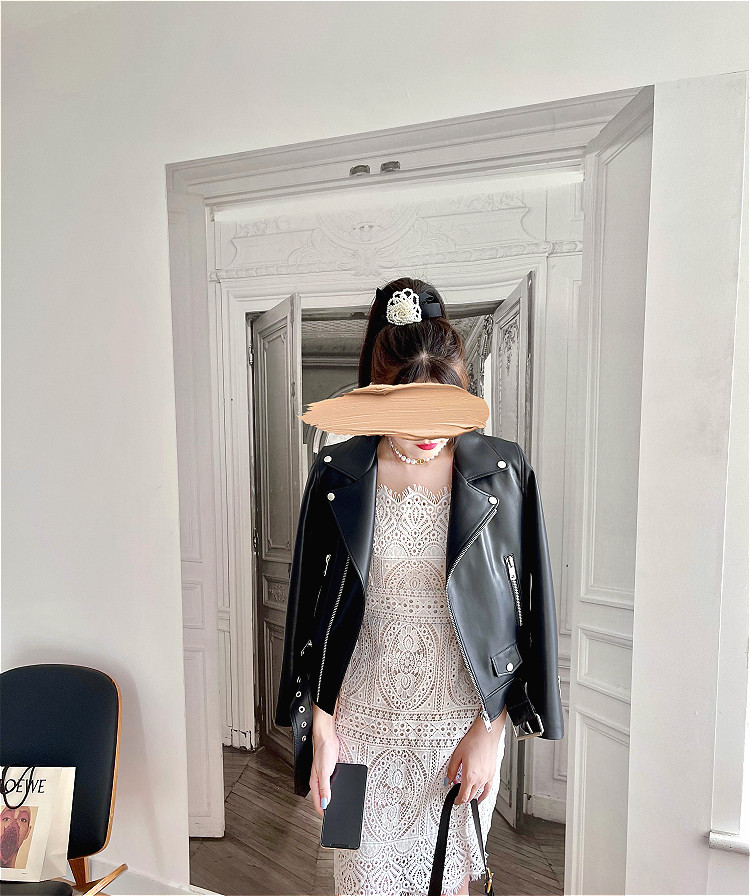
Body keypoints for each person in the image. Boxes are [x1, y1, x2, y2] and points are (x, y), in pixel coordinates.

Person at [276, 277, 564, 896]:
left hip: (460, 727)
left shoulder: (503, 470)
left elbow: (523, 611)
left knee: (449, 884)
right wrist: (319, 722)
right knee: (357, 879)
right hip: (357, 725)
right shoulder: (337, 473)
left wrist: (491, 730)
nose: (430, 432)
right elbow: (311, 606)